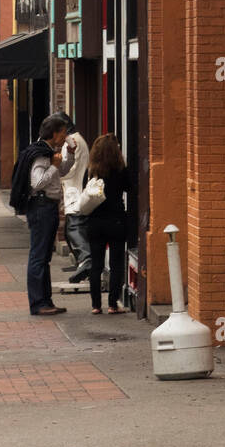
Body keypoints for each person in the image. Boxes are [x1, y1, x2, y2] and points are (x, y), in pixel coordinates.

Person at [22, 114, 77, 316]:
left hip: (47, 206)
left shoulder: (49, 152)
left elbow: (62, 171)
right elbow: (37, 183)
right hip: (42, 206)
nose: (65, 136)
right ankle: (38, 302)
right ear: (54, 133)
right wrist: (53, 165)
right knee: (39, 255)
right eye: (63, 132)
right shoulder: (41, 154)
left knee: (44, 256)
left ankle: (45, 301)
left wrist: (68, 155)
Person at [85, 134, 131, 316]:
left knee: (96, 264)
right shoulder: (120, 170)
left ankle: (96, 305)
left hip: (95, 221)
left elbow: (85, 192)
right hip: (116, 220)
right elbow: (131, 188)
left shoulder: (91, 171)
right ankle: (113, 304)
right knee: (116, 263)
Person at [60, 123, 91, 285]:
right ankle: (82, 264)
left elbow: (67, 168)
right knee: (69, 230)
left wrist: (54, 175)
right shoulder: (79, 139)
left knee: (74, 229)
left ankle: (86, 260)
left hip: (74, 191)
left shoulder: (71, 142)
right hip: (75, 189)